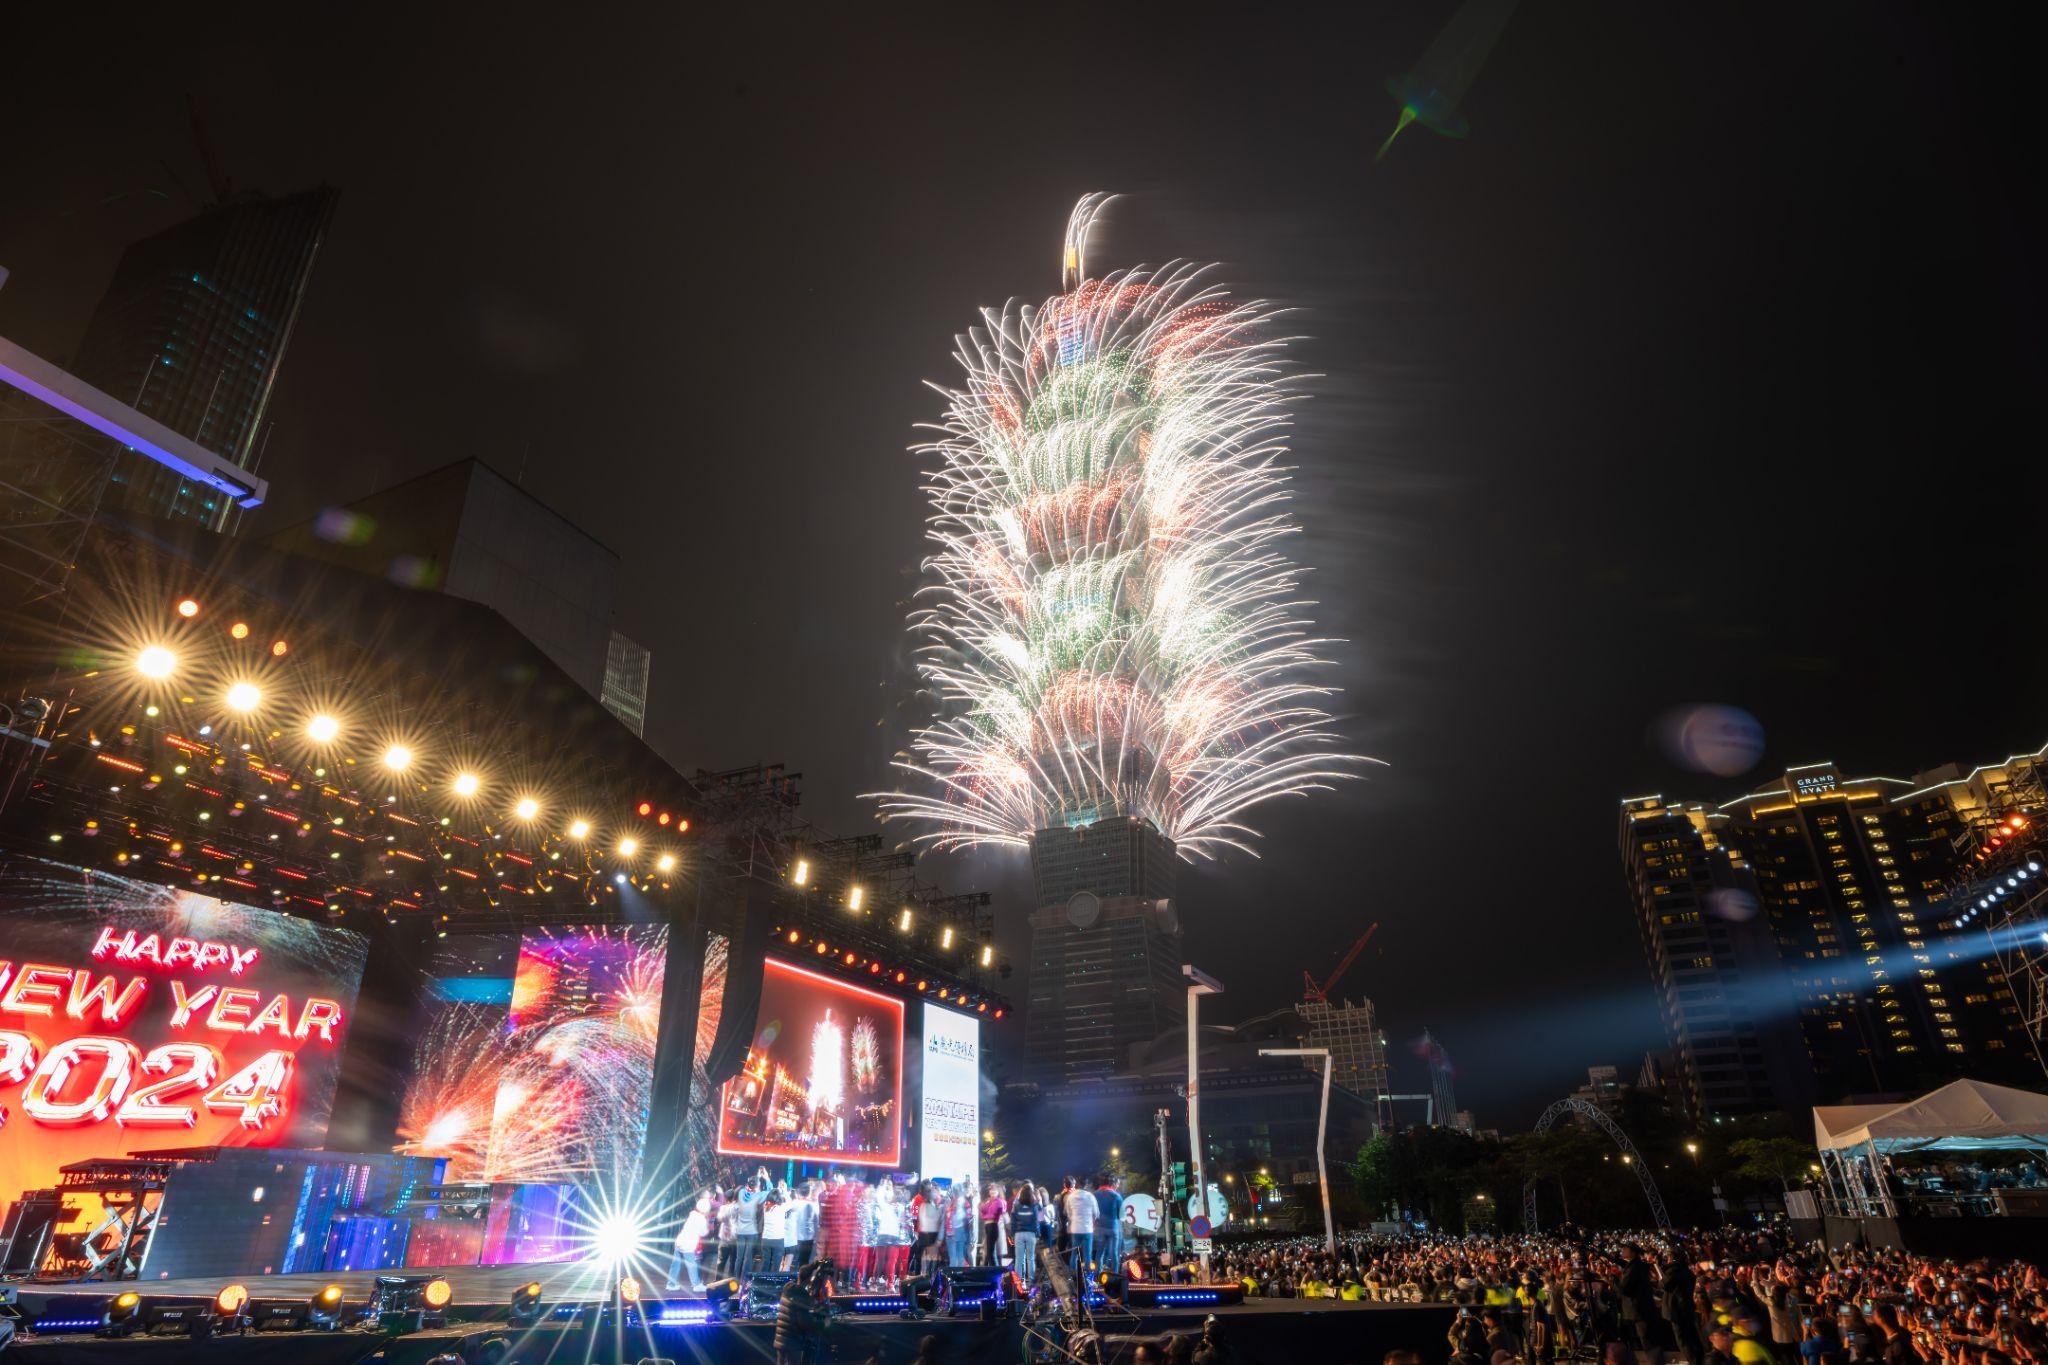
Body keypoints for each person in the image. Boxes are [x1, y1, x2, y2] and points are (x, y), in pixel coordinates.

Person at [774, 1260, 832, 1365]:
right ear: (810, 1279)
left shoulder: (788, 1289)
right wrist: (823, 1324)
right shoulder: (801, 1295)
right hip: (793, 1344)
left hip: (781, 1341)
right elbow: (804, 1323)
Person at [669, 1194, 711, 1292]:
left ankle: (670, 1284)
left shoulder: (692, 1214)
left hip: (679, 1241)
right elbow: (704, 1233)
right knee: (692, 1264)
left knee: (676, 1264)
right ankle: (696, 1284)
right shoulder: (702, 1219)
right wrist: (708, 1222)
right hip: (688, 1244)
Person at [1063, 1178, 1097, 1282]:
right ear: (1086, 1185)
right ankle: (1088, 1278)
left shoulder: (1071, 1196)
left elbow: (1066, 1212)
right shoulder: (1090, 1196)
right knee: (1087, 1254)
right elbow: (1096, 1213)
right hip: (1087, 1229)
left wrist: (1073, 1218)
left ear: (1076, 1185)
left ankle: (1072, 1276)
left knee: (1074, 1253)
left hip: (1075, 1228)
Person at [1011, 1181, 1041, 1287]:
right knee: (1031, 1258)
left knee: (1019, 1258)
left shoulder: (1016, 1205)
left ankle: (1018, 1282)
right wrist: (1038, 1234)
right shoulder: (1034, 1206)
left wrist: (1012, 1234)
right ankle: (1030, 1281)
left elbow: (1013, 1221)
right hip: (1031, 1234)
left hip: (1019, 1234)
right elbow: (1036, 1221)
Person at [1095, 1175, 1124, 1276]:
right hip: (1113, 1227)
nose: (1117, 1186)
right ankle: (1114, 1275)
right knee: (1114, 1253)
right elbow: (1122, 1214)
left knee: (1100, 1252)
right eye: (1117, 1184)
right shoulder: (1116, 1196)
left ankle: (1098, 1275)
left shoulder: (1096, 1194)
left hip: (1101, 1228)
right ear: (1113, 1184)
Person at [980, 1181, 1008, 1268]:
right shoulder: (987, 1202)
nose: (992, 1191)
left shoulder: (1000, 1202)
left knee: (994, 1254)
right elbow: (983, 1214)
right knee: (990, 1253)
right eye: (991, 1190)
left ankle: (997, 1273)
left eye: (994, 1190)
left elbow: (1006, 1219)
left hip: (996, 1228)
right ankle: (993, 1272)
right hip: (989, 1228)